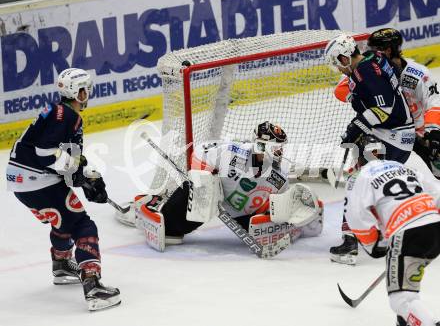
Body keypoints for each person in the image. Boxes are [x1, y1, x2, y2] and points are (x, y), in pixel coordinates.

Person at [6, 68, 121, 311]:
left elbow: (68, 160)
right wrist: (78, 175)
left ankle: (61, 264)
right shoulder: (65, 116)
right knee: (82, 225)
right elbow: (46, 154)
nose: (88, 93)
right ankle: (93, 285)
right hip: (36, 179)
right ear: (78, 92)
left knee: (63, 221)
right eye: (86, 89)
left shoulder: (60, 113)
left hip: (22, 180)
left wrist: (87, 177)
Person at [116, 121, 324, 252]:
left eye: (281, 147)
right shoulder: (233, 151)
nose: (279, 151)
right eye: (276, 147)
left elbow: (276, 201)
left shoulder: (279, 172)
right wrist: (209, 179)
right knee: (170, 233)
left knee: (262, 230)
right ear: (261, 144)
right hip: (208, 199)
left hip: (240, 213)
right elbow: (200, 151)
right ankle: (143, 210)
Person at [324, 33, 416, 265]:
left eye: (337, 64)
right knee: (373, 185)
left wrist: (356, 128)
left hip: (392, 137)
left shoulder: (364, 71)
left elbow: (383, 107)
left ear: (345, 58)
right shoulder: (372, 58)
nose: (338, 70)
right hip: (395, 134)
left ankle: (350, 242)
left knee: (357, 182)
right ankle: (384, 232)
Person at [343, 135, 440, 326]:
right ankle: (405, 321)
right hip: (434, 227)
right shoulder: (403, 167)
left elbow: (356, 217)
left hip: (407, 232)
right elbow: (436, 192)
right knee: (406, 290)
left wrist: (374, 247)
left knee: (402, 299)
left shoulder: (360, 176)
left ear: (360, 157)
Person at [367, 28, 440, 176]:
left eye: (374, 50)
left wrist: (433, 134)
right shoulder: (371, 72)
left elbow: (435, 103)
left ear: (388, 50)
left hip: (420, 137)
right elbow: (341, 91)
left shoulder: (418, 74)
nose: (370, 55)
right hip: (391, 135)